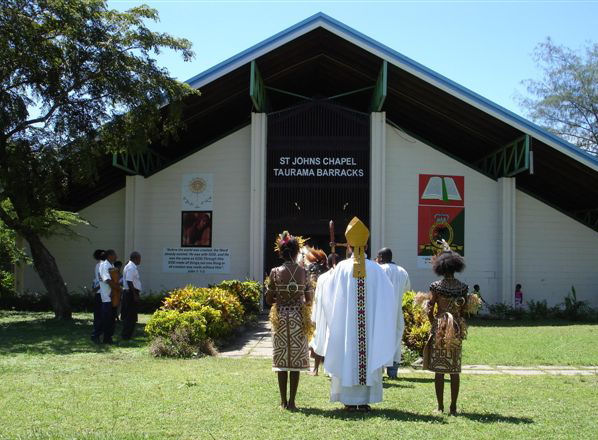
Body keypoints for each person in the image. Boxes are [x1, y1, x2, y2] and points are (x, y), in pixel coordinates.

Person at [322, 217, 397, 412]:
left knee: (347, 356)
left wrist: (338, 316)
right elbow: (389, 296)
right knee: (367, 355)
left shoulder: (340, 269)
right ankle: (364, 401)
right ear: (365, 244)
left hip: (346, 329)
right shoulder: (376, 269)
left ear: (348, 245)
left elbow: (328, 297)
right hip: (369, 330)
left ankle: (348, 400)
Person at [265, 231, 313, 410]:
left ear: (281, 251)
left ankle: (283, 401)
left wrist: (280, 300)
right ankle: (292, 401)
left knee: (281, 362)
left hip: (280, 319)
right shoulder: (304, 272)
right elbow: (309, 299)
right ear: (296, 251)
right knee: (295, 363)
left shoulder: (275, 272)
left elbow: (269, 300)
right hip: (298, 319)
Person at [422, 243, 468, 415]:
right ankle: (453, 407)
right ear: (456, 266)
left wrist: (434, 322)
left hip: (440, 329)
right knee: (454, 370)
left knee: (439, 370)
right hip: (455, 328)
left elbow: (429, 307)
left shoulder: (436, 286)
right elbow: (463, 312)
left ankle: (440, 407)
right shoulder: (462, 287)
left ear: (440, 266)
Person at [377, 247, 410, 378]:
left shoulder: (378, 270)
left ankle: (378, 370)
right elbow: (407, 289)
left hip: (380, 312)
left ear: (380, 257)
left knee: (379, 339)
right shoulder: (402, 271)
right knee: (395, 339)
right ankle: (393, 371)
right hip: (397, 311)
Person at [306, 250, 335, 376]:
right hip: (335, 313)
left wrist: (315, 315)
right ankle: (325, 369)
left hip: (324, 313)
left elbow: (317, 298)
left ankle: (316, 369)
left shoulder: (323, 277)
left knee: (320, 338)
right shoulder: (343, 275)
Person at [97, 249, 119, 344]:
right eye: (115, 254)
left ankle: (109, 338)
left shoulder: (111, 265)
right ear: (110, 256)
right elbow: (107, 280)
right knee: (107, 319)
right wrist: (117, 289)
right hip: (107, 297)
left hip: (113, 296)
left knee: (112, 318)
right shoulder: (104, 265)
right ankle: (105, 339)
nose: (116, 256)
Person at [122, 252, 142, 340]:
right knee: (130, 315)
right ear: (136, 258)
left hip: (131, 292)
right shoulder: (131, 267)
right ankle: (126, 336)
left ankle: (128, 334)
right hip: (131, 293)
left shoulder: (131, 266)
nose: (140, 260)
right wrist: (134, 294)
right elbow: (129, 281)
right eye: (139, 258)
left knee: (132, 315)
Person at [90, 249, 105, 344]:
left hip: (100, 292)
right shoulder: (101, 265)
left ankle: (98, 334)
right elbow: (102, 280)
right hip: (100, 293)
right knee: (99, 316)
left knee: (100, 316)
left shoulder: (99, 265)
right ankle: (96, 335)